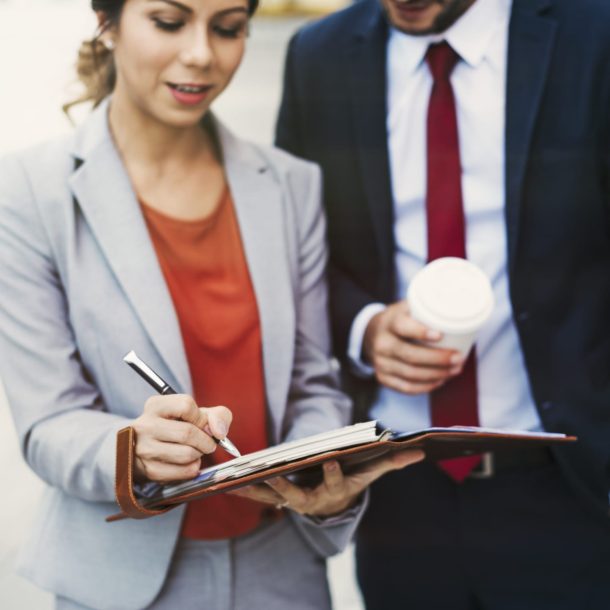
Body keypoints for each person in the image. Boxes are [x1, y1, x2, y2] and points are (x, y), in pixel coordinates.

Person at [0, 1, 424, 608]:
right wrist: (133, 452)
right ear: (107, 20)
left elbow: (313, 381)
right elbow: (48, 422)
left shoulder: (289, 185)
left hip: (282, 569)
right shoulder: (26, 193)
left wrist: (319, 467)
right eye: (170, 22)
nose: (202, 53)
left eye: (228, 28)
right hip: (122, 580)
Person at [275, 0, 610, 608]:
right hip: (398, 495)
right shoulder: (318, 57)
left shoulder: (596, 34)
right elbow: (300, 252)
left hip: (572, 488)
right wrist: (365, 328)